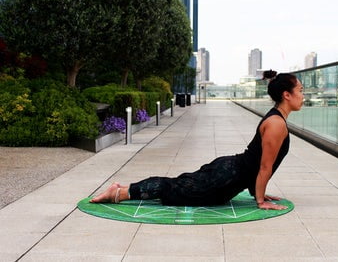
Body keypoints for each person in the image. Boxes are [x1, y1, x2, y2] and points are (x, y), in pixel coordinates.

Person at [90, 70, 303, 210]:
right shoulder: (276, 124)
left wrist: (261, 193)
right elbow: (264, 166)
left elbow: (257, 165)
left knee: (175, 185)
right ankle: (118, 193)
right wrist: (260, 200)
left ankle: (120, 189)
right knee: (170, 188)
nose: (303, 95)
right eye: (300, 91)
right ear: (286, 94)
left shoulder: (277, 120)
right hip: (224, 179)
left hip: (228, 174)